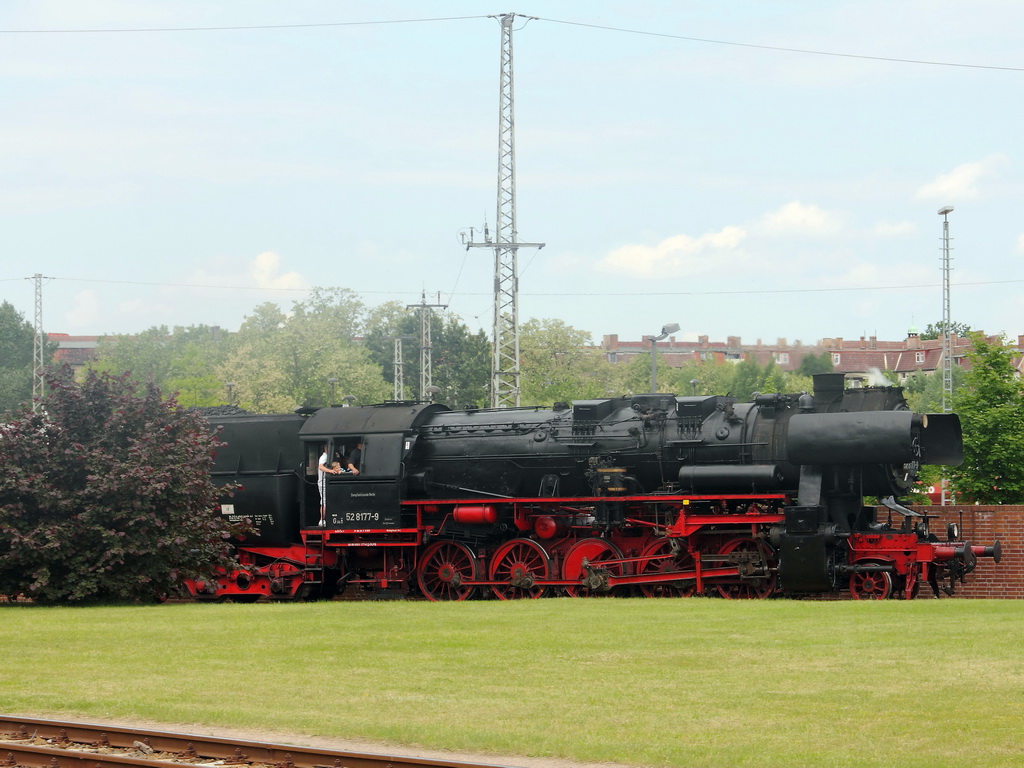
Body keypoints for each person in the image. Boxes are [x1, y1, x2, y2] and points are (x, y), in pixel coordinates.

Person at [317, 444, 341, 527]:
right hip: (322, 482)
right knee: (324, 501)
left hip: (326, 482)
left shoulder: (330, 457)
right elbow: (320, 467)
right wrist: (330, 471)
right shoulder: (324, 457)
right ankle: (322, 520)